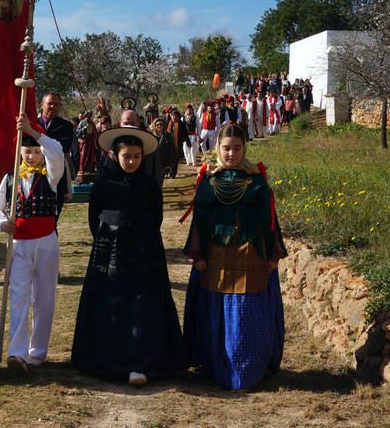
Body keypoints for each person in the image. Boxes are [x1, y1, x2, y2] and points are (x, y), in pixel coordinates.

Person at [72, 126, 185, 385]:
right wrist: (108, 236)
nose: (132, 161)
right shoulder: (103, 182)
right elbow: (94, 217)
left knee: (142, 305)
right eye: (127, 156)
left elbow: (156, 216)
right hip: (109, 250)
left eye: (137, 156)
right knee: (110, 302)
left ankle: (141, 361)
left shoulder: (149, 184)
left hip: (145, 251)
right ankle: (106, 361)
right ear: (115, 155)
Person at [182, 124, 287, 390]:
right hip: (215, 256)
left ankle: (248, 368)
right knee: (215, 308)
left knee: (248, 308)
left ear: (245, 148)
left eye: (237, 148)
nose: (231, 154)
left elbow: (270, 220)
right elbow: (200, 220)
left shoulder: (257, 180)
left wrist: (273, 255)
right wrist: (197, 255)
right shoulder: (208, 179)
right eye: (226, 148)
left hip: (251, 256)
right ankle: (216, 365)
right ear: (218, 148)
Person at [0, 113, 64, 373]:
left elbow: (57, 151)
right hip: (19, 244)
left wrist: (35, 131)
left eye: (35, 151)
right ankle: (17, 353)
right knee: (19, 296)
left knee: (44, 297)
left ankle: (37, 352)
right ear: (20, 152)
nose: (31, 156)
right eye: (27, 151)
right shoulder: (10, 179)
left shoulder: (51, 176)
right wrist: (0, 223)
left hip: (45, 242)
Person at [37, 92, 74, 218]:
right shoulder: (32, 125)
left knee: (53, 216)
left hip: (56, 176)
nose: (53, 106)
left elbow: (63, 147)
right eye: (50, 103)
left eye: (56, 104)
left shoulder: (66, 126)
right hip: (34, 176)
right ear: (42, 105)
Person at [166, 109, 190, 178]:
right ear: (171, 116)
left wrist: (188, 143)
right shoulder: (168, 123)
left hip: (177, 145)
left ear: (178, 117)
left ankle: (173, 174)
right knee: (168, 159)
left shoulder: (181, 124)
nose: (174, 117)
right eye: (173, 116)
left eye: (176, 116)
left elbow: (185, 134)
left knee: (175, 160)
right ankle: (168, 172)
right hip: (168, 144)